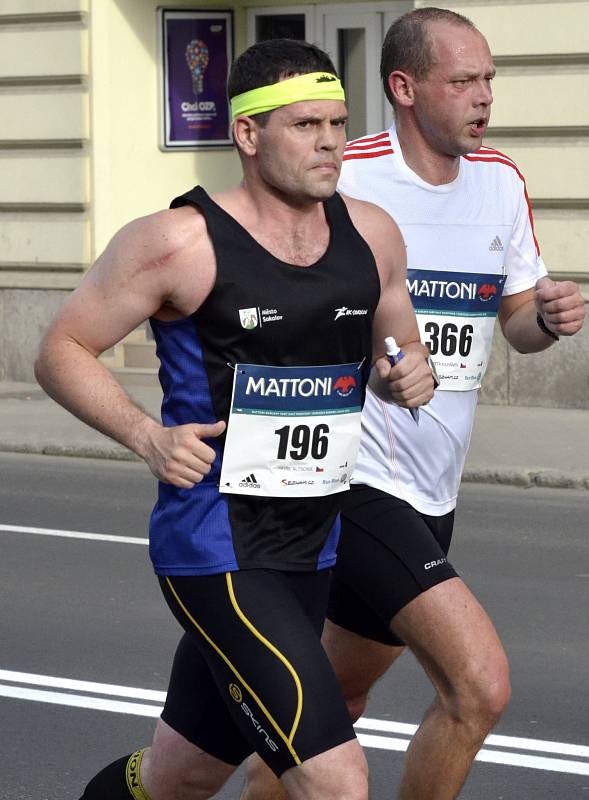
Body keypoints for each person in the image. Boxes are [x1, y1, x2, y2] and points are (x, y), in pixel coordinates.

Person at [34, 39, 434, 800]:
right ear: (248, 135)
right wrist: (146, 435)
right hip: (214, 545)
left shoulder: (372, 234)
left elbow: (397, 352)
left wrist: (407, 375)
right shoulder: (178, 241)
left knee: (181, 776)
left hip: (311, 545)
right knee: (337, 781)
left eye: (337, 123)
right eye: (304, 125)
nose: (327, 143)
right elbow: (62, 350)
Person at [238, 8, 585, 800]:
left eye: (488, 79)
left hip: (434, 485)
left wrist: (549, 319)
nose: (482, 97)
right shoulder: (346, 177)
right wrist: (375, 358)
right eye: (461, 80)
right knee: (478, 686)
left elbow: (517, 324)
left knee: (335, 704)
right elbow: (273, 302)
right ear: (403, 86)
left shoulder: (500, 181)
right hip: (353, 476)